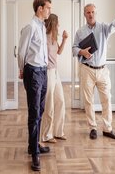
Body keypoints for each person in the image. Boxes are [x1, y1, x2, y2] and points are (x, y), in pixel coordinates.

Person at [72, 3, 115, 140]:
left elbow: (113, 27)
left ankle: (107, 128)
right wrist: (81, 51)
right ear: (84, 14)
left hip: (102, 70)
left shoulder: (103, 28)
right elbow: (74, 48)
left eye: (93, 12)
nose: (91, 15)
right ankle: (92, 128)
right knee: (88, 101)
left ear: (96, 13)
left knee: (106, 99)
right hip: (86, 70)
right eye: (88, 12)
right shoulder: (80, 32)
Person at [17, 0, 51, 171]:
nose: (49, 11)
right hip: (33, 72)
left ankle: (34, 145)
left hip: (43, 71)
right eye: (48, 8)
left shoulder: (42, 26)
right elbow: (21, 51)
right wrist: (22, 70)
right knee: (34, 111)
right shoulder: (30, 27)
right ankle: (34, 154)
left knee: (41, 109)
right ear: (40, 9)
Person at [40, 13, 68, 143]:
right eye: (58, 23)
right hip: (48, 73)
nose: (59, 25)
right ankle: (47, 135)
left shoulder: (53, 38)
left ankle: (58, 132)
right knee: (49, 104)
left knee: (60, 101)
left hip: (56, 72)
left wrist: (64, 39)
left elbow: (59, 52)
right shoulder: (44, 38)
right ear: (53, 23)